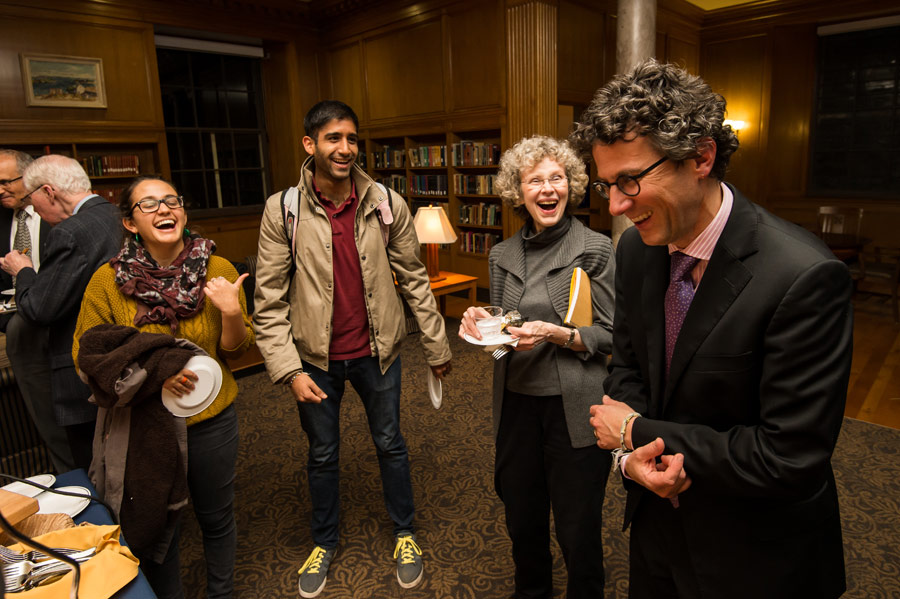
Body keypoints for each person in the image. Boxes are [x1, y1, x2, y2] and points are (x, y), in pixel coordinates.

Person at [571, 59, 852, 599]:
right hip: (656, 532)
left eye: (630, 180)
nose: (615, 207)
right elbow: (629, 367)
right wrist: (631, 463)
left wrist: (633, 435)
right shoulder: (635, 250)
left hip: (755, 554)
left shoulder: (803, 275)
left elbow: (788, 458)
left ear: (701, 156)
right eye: (606, 185)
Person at [253, 100, 452, 597]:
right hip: (313, 362)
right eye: (333, 138)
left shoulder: (385, 202)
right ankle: (323, 541)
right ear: (310, 144)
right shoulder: (284, 210)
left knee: (391, 443)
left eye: (351, 139)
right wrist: (287, 370)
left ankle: (404, 534)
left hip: (378, 353)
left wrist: (436, 344)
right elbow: (268, 299)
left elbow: (414, 279)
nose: (345, 148)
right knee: (322, 453)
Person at [73, 175, 254, 599]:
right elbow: (86, 356)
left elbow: (236, 352)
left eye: (171, 201)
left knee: (217, 517)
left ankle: (221, 594)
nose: (164, 209)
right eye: (149, 204)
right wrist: (155, 374)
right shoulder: (107, 281)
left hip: (212, 422)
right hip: (146, 425)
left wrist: (230, 312)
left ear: (184, 213)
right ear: (131, 223)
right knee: (158, 524)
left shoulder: (220, 269)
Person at [457, 135, 615, 599]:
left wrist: (556, 333)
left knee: (576, 526)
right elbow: (507, 335)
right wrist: (484, 327)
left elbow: (613, 336)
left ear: (571, 185)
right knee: (521, 518)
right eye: (535, 181)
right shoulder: (502, 254)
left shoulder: (596, 249)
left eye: (556, 178)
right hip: (516, 404)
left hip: (575, 411)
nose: (547, 189)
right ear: (518, 192)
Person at [0, 154, 122, 471]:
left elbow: (41, 308)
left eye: (33, 198)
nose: (33, 208)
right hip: (116, 353)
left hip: (78, 359)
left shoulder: (69, 232)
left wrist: (23, 271)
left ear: (50, 192)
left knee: (91, 462)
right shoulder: (113, 213)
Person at [0, 149, 73, 472]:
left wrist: (24, 273)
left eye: (5, 182)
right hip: (15, 324)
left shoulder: (59, 217)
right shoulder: (3, 220)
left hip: (57, 321)